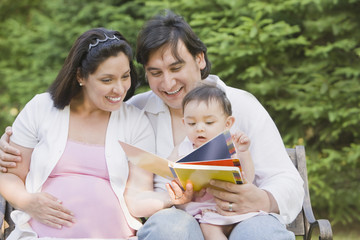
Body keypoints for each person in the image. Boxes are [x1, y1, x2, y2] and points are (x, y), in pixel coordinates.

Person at [0, 11, 305, 240]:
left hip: (243, 215)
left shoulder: (241, 105)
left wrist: (262, 198)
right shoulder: (134, 110)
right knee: (171, 227)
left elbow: (285, 178)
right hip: (177, 219)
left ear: (199, 59)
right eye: (155, 72)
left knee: (261, 232)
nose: (168, 83)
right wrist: (8, 145)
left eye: (176, 67)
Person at [0, 27, 159, 239]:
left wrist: (172, 197)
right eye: (107, 80)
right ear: (80, 76)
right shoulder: (41, 108)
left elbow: (139, 195)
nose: (120, 89)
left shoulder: (136, 123)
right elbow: (9, 175)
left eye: (125, 76)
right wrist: (26, 201)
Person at [166, 84, 259, 240]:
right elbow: (171, 172)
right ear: (184, 123)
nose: (199, 129)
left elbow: (249, 178)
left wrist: (243, 152)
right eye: (191, 123)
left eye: (209, 123)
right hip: (202, 212)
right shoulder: (182, 149)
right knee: (209, 228)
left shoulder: (231, 147)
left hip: (233, 209)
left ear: (228, 124)